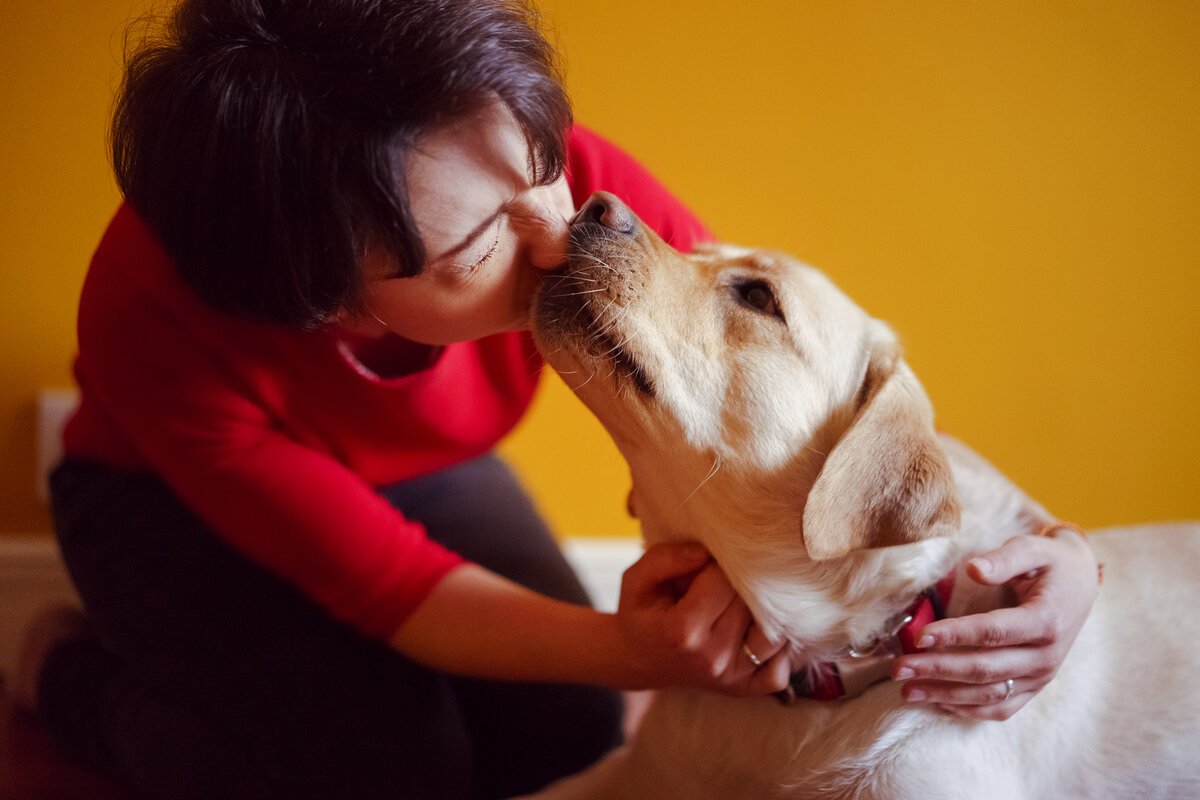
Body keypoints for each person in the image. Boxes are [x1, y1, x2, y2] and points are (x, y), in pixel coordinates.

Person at [13, 1, 1099, 798]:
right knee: (384, 769)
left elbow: (803, 408)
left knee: (567, 735)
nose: (563, 230)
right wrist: (636, 650)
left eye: (543, 161)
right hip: (159, 501)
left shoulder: (552, 187)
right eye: (482, 244)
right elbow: (395, 588)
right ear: (330, 307)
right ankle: (75, 680)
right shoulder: (158, 317)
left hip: (409, 461)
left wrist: (1060, 551)